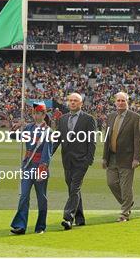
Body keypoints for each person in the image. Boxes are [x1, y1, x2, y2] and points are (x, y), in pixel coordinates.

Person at [53, 93, 97, 230]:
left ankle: (68, 218)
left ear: (81, 103)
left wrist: (89, 160)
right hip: (66, 159)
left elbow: (92, 141)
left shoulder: (89, 119)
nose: (72, 103)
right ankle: (80, 218)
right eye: (70, 100)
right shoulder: (63, 119)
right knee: (72, 189)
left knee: (75, 187)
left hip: (81, 160)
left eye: (75, 101)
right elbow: (57, 139)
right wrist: (47, 154)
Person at [10, 103, 52, 235]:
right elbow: (13, 136)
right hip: (28, 166)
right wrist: (15, 128)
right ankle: (20, 225)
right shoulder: (28, 128)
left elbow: (47, 153)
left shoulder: (48, 131)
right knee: (23, 196)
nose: (36, 115)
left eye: (38, 113)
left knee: (41, 198)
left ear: (44, 115)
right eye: (34, 113)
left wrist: (42, 168)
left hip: (40, 167)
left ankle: (40, 226)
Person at [102, 92, 140, 222]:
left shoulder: (135, 117)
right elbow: (107, 139)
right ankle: (128, 202)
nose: (120, 103)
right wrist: (104, 157)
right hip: (112, 157)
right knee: (111, 183)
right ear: (115, 102)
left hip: (127, 158)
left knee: (126, 186)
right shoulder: (111, 116)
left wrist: (136, 158)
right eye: (118, 100)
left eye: (123, 101)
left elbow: (138, 139)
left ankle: (124, 213)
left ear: (127, 102)